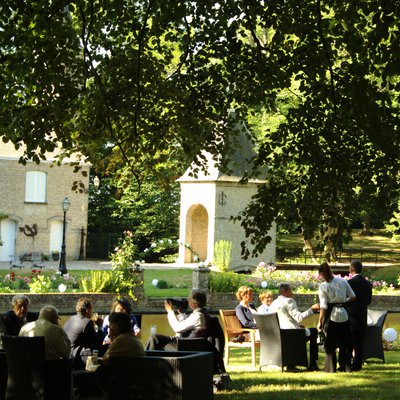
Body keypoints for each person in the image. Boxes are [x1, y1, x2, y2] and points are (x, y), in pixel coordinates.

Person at [268, 283, 320, 371]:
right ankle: (313, 364)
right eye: (290, 291)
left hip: (278, 335)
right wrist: (312, 309)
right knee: (314, 331)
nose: (292, 294)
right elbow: (299, 317)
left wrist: (296, 324)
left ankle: (291, 364)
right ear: (284, 292)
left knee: (304, 329)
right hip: (291, 335)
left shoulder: (273, 303)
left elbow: (283, 319)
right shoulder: (289, 301)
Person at [317, 262, 356, 372]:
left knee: (331, 343)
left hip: (332, 315)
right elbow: (353, 297)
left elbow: (323, 306)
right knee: (345, 342)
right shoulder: (343, 281)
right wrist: (343, 302)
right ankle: (345, 366)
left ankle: (331, 368)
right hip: (344, 313)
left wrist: (320, 321)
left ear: (321, 274)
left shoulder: (323, 286)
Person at [63, 297, 105, 369]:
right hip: (76, 359)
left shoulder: (70, 319)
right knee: (100, 349)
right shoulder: (87, 322)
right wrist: (100, 326)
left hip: (67, 357)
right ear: (88, 310)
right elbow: (98, 342)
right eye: (92, 310)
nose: (92, 312)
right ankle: (95, 372)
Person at [346, 260, 373, 371]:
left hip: (351, 315)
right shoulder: (368, 284)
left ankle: (347, 363)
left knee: (349, 341)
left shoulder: (349, 283)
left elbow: (346, 299)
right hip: (362, 315)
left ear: (351, 269)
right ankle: (357, 365)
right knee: (359, 342)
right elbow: (369, 301)